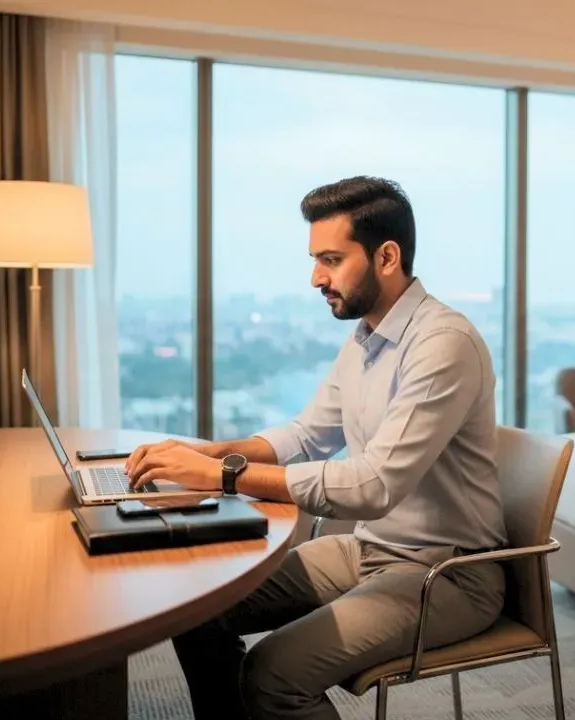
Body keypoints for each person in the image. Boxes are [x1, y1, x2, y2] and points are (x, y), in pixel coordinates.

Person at [124, 176, 508, 720]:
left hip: (448, 575)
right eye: (315, 259)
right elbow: (306, 436)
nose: (315, 277)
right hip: (370, 551)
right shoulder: (369, 337)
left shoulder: (443, 344)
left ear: (387, 256)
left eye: (330, 259)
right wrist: (211, 453)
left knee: (272, 675)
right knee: (198, 606)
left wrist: (224, 476)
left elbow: (374, 486)